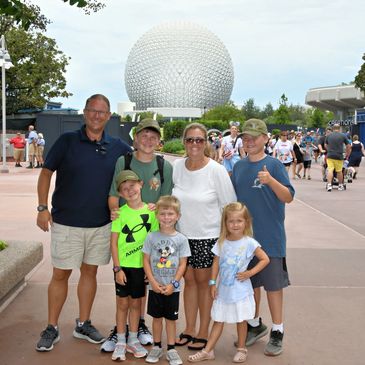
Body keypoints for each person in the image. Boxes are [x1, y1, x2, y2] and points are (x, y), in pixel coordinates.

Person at [35, 94, 132, 352]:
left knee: (90, 273)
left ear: (108, 116)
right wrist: (43, 207)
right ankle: (52, 327)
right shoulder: (67, 141)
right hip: (66, 222)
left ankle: (83, 323)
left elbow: (137, 171)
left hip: (100, 224)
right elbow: (46, 173)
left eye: (102, 112)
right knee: (60, 274)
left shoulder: (119, 147)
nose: (96, 115)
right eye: (92, 110)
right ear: (85, 113)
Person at [103, 118, 173, 352]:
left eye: (153, 136)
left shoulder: (164, 166)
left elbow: (165, 200)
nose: (148, 140)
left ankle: (138, 326)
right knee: (126, 291)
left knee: (142, 285)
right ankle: (122, 330)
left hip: (151, 236)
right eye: (144, 135)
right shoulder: (124, 161)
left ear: (159, 141)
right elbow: (114, 193)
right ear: (135, 138)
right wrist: (115, 212)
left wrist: (157, 208)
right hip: (127, 236)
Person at [231, 118, 295, 357]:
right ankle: (255, 324)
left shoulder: (274, 165)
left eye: (254, 137)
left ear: (266, 139)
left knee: (273, 287)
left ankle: (278, 331)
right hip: (245, 240)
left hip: (270, 238)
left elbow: (288, 196)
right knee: (250, 285)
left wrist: (271, 181)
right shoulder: (238, 167)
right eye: (245, 137)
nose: (249, 141)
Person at [173, 122, 236, 351]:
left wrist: (227, 239)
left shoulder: (216, 170)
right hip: (181, 237)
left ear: (206, 143)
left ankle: (202, 331)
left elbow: (229, 205)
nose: (194, 144)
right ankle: (189, 328)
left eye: (199, 140)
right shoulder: (177, 167)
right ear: (184, 142)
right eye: (190, 140)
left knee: (203, 284)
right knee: (187, 283)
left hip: (207, 238)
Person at [188, 202, 269, 363]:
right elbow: (216, 263)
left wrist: (249, 273)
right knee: (218, 319)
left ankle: (241, 348)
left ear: (246, 222)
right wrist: (212, 283)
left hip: (241, 291)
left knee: (241, 320)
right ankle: (208, 351)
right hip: (223, 290)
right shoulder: (222, 242)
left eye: (239, 221)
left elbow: (265, 259)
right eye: (231, 221)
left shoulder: (249, 243)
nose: (235, 224)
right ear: (225, 223)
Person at [109, 169, 159, 361]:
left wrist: (151, 269)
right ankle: (120, 341)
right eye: (124, 189)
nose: (130, 191)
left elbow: (154, 242)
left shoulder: (151, 212)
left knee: (136, 304)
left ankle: (133, 339)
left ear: (141, 184)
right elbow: (113, 242)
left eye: (132, 186)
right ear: (120, 194)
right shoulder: (119, 214)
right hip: (124, 267)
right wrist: (117, 268)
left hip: (142, 266)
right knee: (122, 304)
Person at [143, 196, 191, 365]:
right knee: (156, 319)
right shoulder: (151, 237)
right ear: (157, 216)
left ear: (177, 216)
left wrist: (174, 284)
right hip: (155, 287)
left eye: (170, 214)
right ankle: (157, 347)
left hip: (173, 289)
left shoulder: (181, 239)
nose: (166, 217)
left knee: (171, 319)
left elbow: (183, 264)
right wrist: (152, 283)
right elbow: (146, 261)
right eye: (163, 214)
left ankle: (171, 349)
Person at [324, 124, 351, 192]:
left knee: (330, 170)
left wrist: (329, 150)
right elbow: (348, 145)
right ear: (340, 128)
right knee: (339, 171)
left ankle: (329, 185)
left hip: (330, 155)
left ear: (333, 128)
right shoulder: (343, 135)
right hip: (339, 155)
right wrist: (347, 154)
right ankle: (340, 185)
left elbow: (325, 145)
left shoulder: (329, 135)